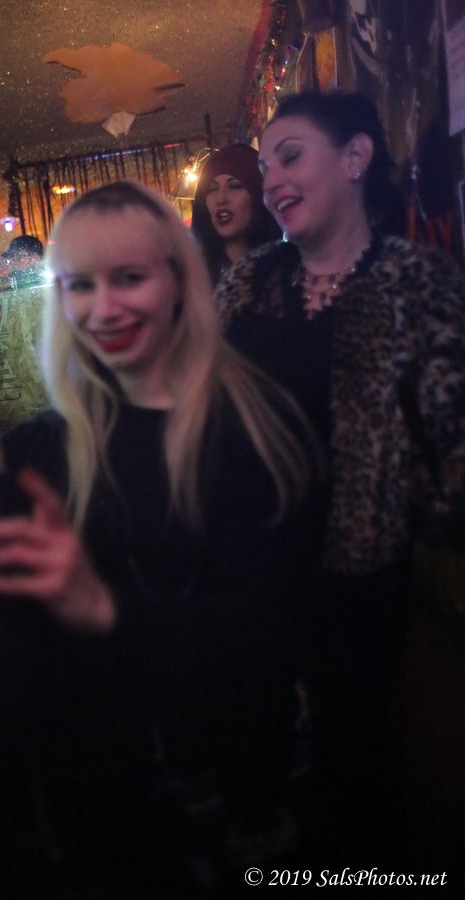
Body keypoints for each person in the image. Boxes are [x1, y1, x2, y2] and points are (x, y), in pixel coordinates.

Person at [0, 180, 316, 896]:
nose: (103, 308)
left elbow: (262, 644)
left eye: (129, 278)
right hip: (98, 821)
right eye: (80, 285)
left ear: (179, 283)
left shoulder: (254, 432)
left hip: (231, 808)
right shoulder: (42, 449)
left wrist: (103, 607)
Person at [215, 90, 465, 865]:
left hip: (361, 587)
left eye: (289, 157)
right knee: (251, 773)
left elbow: (453, 443)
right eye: (265, 168)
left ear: (356, 157)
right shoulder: (245, 286)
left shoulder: (418, 281)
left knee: (358, 782)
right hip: (247, 578)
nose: (271, 182)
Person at [191, 143, 280, 286]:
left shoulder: (289, 273)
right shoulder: (194, 282)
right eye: (212, 189)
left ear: (258, 196)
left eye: (234, 186)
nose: (221, 199)